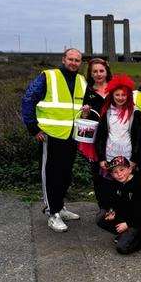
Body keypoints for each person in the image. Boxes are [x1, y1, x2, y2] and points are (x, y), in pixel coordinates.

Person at [21, 48, 86, 232]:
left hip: (71, 136)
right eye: (71, 59)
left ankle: (60, 206)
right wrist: (33, 127)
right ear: (63, 59)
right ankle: (52, 213)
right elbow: (28, 99)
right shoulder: (48, 76)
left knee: (66, 175)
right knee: (51, 175)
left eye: (77, 60)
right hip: (51, 135)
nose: (74, 63)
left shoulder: (81, 80)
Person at [95, 156, 141, 254]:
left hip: (139, 221)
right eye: (115, 172)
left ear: (130, 169)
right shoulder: (116, 183)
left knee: (122, 248)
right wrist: (112, 211)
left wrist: (128, 224)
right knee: (101, 217)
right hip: (125, 217)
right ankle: (125, 234)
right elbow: (114, 201)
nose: (119, 174)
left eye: (122, 170)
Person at [95, 74, 141, 186]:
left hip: (127, 156)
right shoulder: (107, 112)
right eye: (117, 94)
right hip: (110, 155)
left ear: (128, 96)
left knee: (128, 183)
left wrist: (134, 159)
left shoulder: (134, 113)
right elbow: (101, 136)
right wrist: (101, 158)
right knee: (111, 184)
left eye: (123, 95)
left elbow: (138, 138)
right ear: (112, 95)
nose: (120, 98)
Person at [79, 58, 112, 212]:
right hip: (96, 139)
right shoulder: (89, 91)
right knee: (97, 172)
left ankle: (117, 206)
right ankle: (103, 207)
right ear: (90, 74)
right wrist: (85, 113)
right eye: (95, 71)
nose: (98, 74)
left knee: (116, 169)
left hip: (114, 136)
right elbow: (84, 118)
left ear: (106, 72)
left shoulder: (114, 88)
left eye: (101, 71)